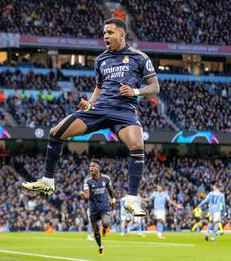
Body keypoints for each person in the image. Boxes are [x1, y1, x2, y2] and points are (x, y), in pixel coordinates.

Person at [22, 17, 160, 217]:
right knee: (55, 132)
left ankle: (131, 200)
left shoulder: (139, 57)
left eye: (110, 32)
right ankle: (47, 182)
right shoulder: (101, 59)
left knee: (137, 146)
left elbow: (155, 87)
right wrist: (90, 103)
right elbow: (99, 87)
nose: (105, 36)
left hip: (124, 111)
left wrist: (135, 92)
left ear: (122, 34)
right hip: (99, 109)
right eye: (104, 33)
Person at [82, 160, 116, 256]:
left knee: (105, 223)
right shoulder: (87, 181)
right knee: (96, 230)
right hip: (93, 208)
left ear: (98, 168)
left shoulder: (106, 178)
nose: (91, 168)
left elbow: (110, 189)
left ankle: (105, 229)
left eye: (93, 166)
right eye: (90, 166)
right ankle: (100, 247)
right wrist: (84, 195)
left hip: (104, 206)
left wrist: (113, 199)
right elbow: (87, 196)